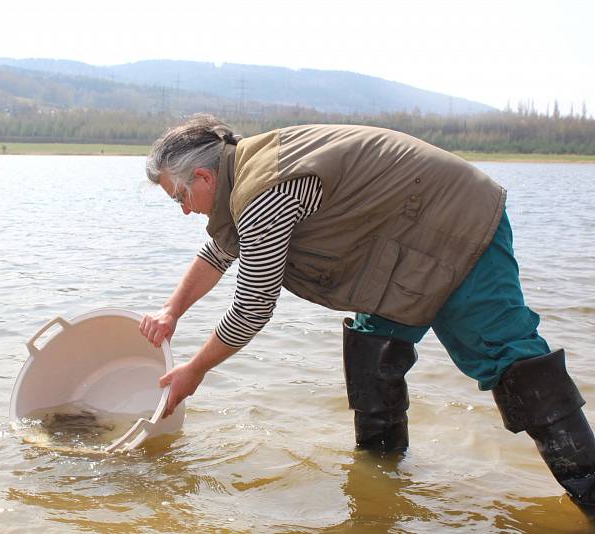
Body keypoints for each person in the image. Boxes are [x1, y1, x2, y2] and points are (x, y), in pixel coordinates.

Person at [139, 114, 595, 510]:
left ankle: (588, 490)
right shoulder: (245, 172)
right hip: (402, 243)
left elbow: (254, 305)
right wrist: (171, 310)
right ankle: (381, 488)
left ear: (203, 177)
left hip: (454, 223)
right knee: (372, 353)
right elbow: (220, 251)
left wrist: (195, 369)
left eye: (179, 197)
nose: (183, 210)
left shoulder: (262, 190)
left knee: (508, 358)